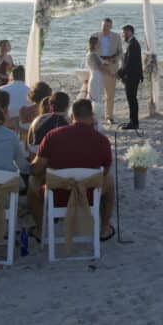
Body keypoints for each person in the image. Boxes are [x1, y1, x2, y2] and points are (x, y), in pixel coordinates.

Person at [27, 99, 116, 242]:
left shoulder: (52, 136)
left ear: (72, 116)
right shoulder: (102, 140)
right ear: (91, 116)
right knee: (109, 180)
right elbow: (104, 171)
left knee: (33, 181)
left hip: (56, 195)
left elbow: (37, 168)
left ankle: (39, 229)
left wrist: (32, 166)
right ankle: (104, 228)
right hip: (89, 195)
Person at [90, 18, 122, 123]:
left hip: (111, 65)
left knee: (110, 94)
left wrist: (115, 59)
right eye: (104, 25)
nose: (105, 28)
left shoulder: (116, 37)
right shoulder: (95, 35)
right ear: (101, 26)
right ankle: (93, 116)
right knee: (96, 93)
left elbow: (120, 52)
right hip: (98, 65)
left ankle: (109, 116)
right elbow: (89, 50)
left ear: (111, 26)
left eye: (108, 26)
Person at [117, 24, 143, 129]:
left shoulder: (133, 44)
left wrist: (119, 73)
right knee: (132, 99)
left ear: (130, 32)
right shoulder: (132, 43)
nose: (123, 35)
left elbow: (130, 63)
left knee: (132, 99)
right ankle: (133, 121)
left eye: (125, 32)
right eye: (123, 32)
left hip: (132, 77)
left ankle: (134, 122)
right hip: (132, 76)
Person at [84, 37, 105, 115]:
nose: (100, 44)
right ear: (95, 44)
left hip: (96, 76)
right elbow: (100, 67)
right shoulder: (93, 54)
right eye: (98, 43)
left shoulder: (91, 53)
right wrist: (112, 74)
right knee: (96, 99)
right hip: (96, 77)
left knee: (96, 97)